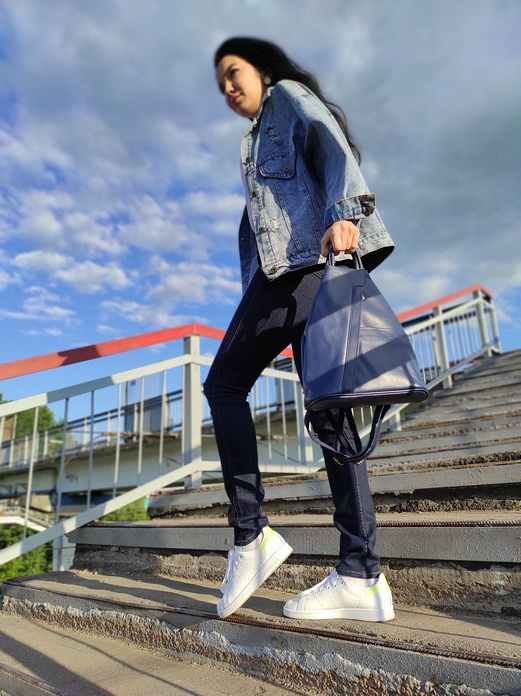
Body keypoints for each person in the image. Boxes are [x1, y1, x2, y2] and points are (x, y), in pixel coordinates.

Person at [204, 37, 395, 622]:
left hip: (303, 266)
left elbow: (327, 140)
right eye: (220, 85)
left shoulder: (286, 97)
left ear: (261, 70)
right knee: (330, 412)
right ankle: (362, 573)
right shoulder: (252, 141)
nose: (228, 89)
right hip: (291, 273)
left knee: (224, 386)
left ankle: (250, 536)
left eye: (233, 73)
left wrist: (345, 214)